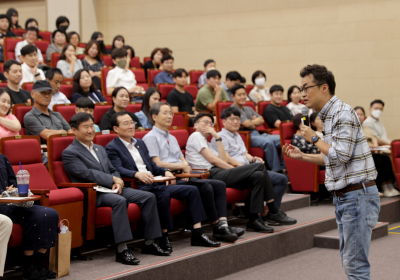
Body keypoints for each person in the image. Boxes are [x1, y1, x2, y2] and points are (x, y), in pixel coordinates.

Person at [283, 64, 379, 280]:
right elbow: (333, 158)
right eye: (301, 88)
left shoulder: (342, 113)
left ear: (324, 87)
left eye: (306, 87)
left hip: (356, 196)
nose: (302, 93)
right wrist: (302, 156)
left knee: (355, 267)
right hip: (348, 197)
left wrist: (314, 139)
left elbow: (341, 155)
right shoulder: (330, 115)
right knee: (350, 262)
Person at [63, 113, 168, 264]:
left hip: (114, 188)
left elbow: (113, 169)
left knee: (149, 197)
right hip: (95, 193)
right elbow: (86, 174)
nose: (90, 130)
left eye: (92, 126)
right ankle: (122, 249)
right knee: (119, 201)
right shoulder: (70, 152)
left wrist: (117, 180)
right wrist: (112, 179)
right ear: (74, 130)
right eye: (85, 127)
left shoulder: (99, 148)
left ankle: (150, 243)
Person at [107, 111, 223, 248]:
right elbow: (117, 168)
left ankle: (197, 233)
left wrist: (165, 171)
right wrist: (135, 174)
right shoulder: (112, 147)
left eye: (132, 122)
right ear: (116, 128)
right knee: (164, 195)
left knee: (192, 190)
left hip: (156, 181)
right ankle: (164, 236)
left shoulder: (139, 143)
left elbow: (152, 165)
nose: (131, 126)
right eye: (126, 123)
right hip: (139, 185)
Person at [143, 103, 245, 241]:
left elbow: (182, 159)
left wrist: (185, 168)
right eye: (165, 113)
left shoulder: (172, 137)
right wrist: (182, 167)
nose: (169, 116)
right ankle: (215, 227)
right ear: (154, 116)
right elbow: (157, 163)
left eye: (171, 113)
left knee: (219, 185)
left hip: (182, 174)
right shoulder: (150, 137)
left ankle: (222, 225)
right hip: (167, 176)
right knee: (206, 187)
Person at [185, 113, 294, 233]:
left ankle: (253, 220)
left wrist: (216, 136)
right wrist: (232, 170)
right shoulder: (196, 136)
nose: (209, 125)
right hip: (209, 174)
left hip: (218, 171)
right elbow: (213, 160)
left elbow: (222, 159)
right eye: (205, 122)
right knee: (258, 167)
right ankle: (273, 210)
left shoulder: (207, 141)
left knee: (258, 176)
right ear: (195, 125)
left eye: (211, 123)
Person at [213, 107, 294, 217]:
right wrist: (244, 167)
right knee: (259, 174)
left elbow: (245, 154)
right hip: (235, 171)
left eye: (237, 118)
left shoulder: (237, 135)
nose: (236, 121)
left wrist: (254, 159)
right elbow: (226, 158)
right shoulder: (220, 137)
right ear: (223, 121)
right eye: (232, 119)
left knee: (282, 180)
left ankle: (270, 213)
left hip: (247, 168)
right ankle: (270, 213)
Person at [0, 154, 59, 280]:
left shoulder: (2, 158)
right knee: (34, 215)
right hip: (2, 206)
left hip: (12, 201)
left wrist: (12, 188)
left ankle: (40, 263)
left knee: (50, 213)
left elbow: (13, 182)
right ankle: (29, 265)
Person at [230, 84, 285, 172]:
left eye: (244, 94)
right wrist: (252, 122)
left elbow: (261, 120)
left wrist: (250, 122)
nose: (243, 97)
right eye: (239, 95)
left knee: (282, 138)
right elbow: (247, 125)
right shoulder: (232, 110)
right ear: (233, 96)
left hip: (258, 133)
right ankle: (276, 170)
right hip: (246, 136)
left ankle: (284, 166)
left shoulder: (248, 108)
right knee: (268, 142)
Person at [355, 106, 399, 197]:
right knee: (379, 161)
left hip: (372, 152)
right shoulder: (351, 129)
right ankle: (383, 186)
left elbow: (374, 139)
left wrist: (375, 144)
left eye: (361, 114)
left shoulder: (366, 128)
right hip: (359, 155)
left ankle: (390, 185)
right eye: (357, 114)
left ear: (364, 116)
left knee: (386, 159)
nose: (359, 116)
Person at [24, 80, 72, 144]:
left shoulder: (57, 115)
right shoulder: (30, 116)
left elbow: (71, 132)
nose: (47, 96)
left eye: (49, 93)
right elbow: (46, 135)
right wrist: (63, 132)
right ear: (32, 94)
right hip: (45, 151)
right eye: (43, 92)